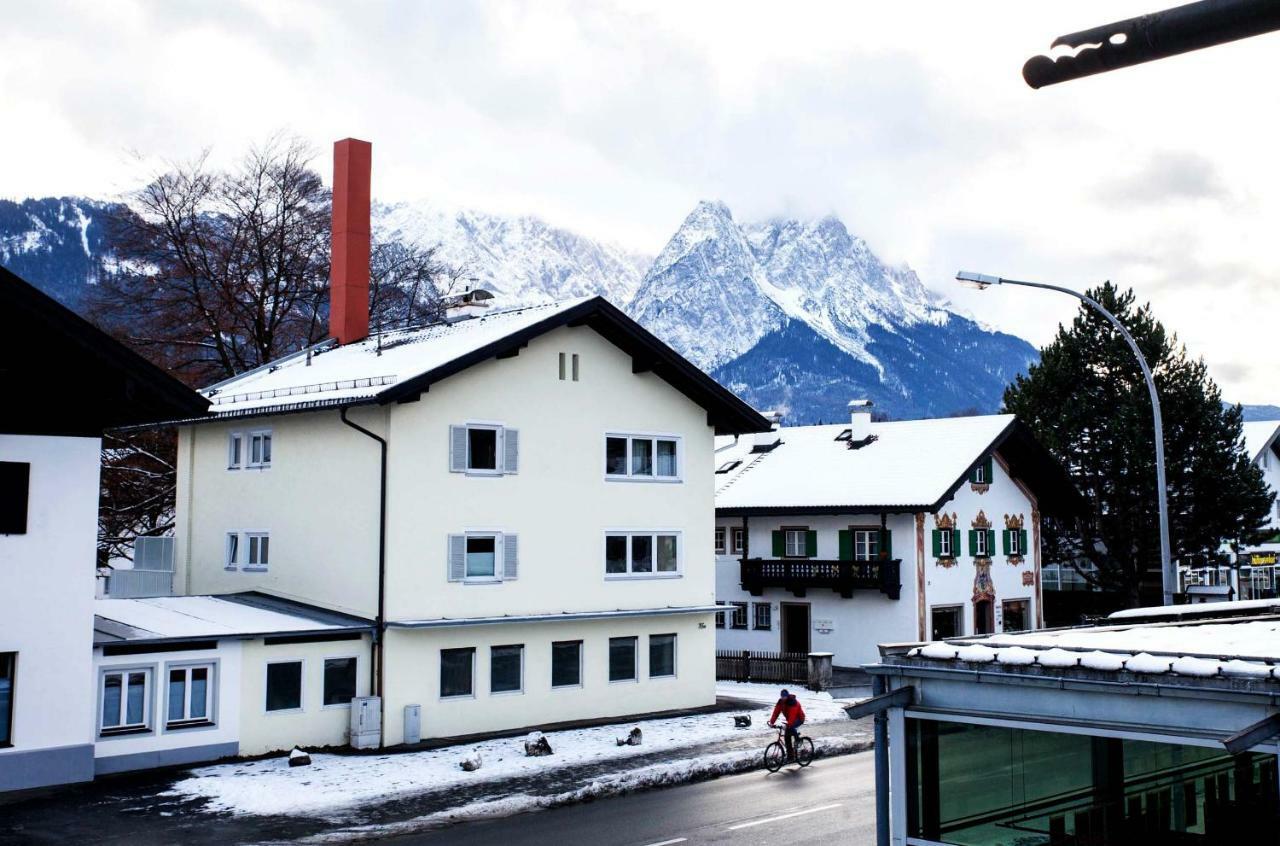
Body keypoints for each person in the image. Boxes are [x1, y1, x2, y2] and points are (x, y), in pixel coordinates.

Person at [768, 688, 806, 760]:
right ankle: (790, 756)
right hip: (790, 720)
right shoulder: (780, 702)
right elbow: (776, 713)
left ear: (787, 696)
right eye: (782, 696)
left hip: (799, 718)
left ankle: (798, 740)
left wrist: (788, 725)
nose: (783, 698)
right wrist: (771, 722)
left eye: (784, 696)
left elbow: (792, 716)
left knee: (790, 727)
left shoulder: (792, 702)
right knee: (786, 737)